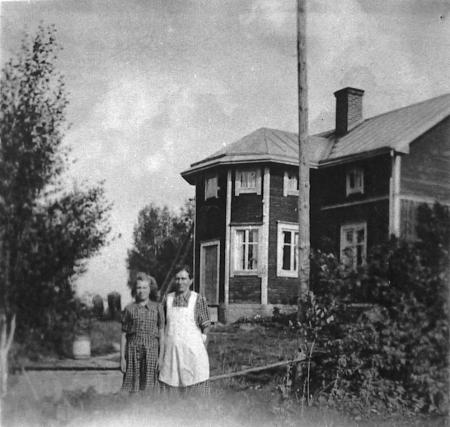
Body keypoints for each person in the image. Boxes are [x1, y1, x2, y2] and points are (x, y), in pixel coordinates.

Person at [159, 265, 211, 394]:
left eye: (183, 279)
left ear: (191, 281)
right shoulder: (167, 299)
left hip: (193, 356)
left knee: (194, 394)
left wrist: (201, 348)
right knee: (172, 394)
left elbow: (206, 327)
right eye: (177, 279)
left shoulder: (198, 300)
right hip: (171, 357)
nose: (180, 282)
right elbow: (161, 326)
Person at [120, 272, 164, 393]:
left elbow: (162, 335)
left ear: (150, 289)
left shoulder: (158, 308)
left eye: (145, 287)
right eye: (139, 287)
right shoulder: (129, 309)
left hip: (151, 351)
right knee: (132, 387)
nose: (141, 291)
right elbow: (123, 335)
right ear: (135, 289)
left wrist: (161, 358)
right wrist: (122, 358)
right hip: (133, 351)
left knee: (149, 387)